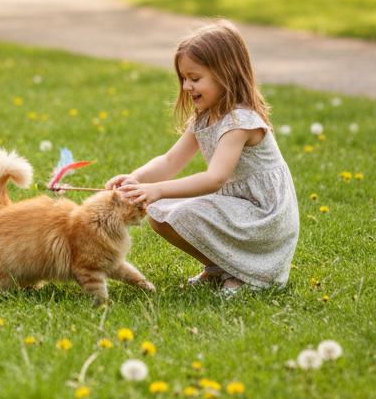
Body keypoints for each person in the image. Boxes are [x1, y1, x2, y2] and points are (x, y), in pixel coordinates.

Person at [105, 20, 298, 294]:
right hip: (237, 207)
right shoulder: (205, 117)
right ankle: (220, 267)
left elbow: (214, 179)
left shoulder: (240, 121)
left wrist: (157, 189)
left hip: (263, 215)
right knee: (159, 213)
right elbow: (171, 161)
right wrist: (134, 180)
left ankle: (250, 275)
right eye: (184, 78)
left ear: (226, 75)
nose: (186, 87)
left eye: (195, 79)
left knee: (178, 210)